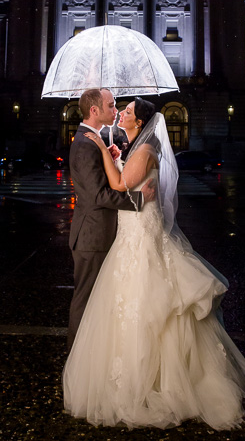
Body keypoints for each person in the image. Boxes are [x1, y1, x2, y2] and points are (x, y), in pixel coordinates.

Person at [63, 97, 245, 431]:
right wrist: (115, 156)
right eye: (117, 108)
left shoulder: (145, 150)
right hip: (130, 232)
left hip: (140, 233)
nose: (120, 113)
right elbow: (122, 181)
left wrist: (106, 152)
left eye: (125, 112)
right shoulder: (136, 148)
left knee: (142, 301)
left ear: (139, 123)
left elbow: (120, 185)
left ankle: (146, 381)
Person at [67, 88, 154, 350]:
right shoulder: (85, 143)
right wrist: (139, 201)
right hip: (92, 236)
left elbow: (103, 182)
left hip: (100, 234)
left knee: (96, 299)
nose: (115, 110)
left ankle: (92, 352)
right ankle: (77, 358)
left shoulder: (93, 139)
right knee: (85, 299)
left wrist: (112, 159)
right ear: (94, 111)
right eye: (111, 105)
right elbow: (99, 196)